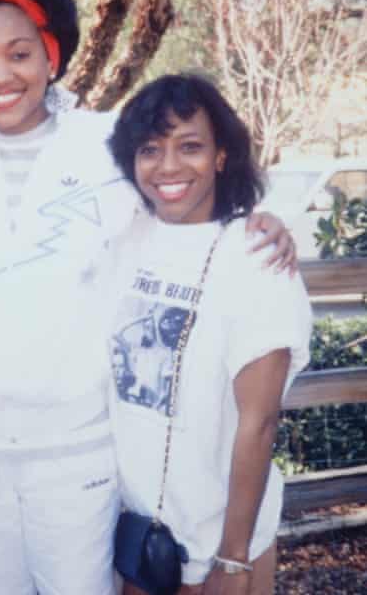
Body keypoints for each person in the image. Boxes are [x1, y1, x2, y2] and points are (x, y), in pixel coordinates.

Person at [0, 0, 296, 595]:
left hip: (76, 460)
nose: (0, 75)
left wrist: (263, 218)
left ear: (52, 55)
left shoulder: (104, 147)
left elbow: (183, 191)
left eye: (19, 53)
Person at [103, 74, 312, 595]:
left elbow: (259, 422)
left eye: (190, 146)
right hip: (137, 537)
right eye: (151, 149)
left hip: (219, 539)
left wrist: (234, 558)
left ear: (221, 155)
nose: (169, 166)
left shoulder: (256, 257)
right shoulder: (126, 237)